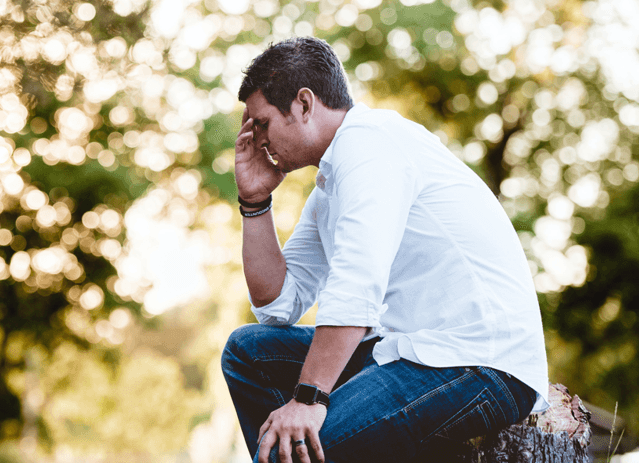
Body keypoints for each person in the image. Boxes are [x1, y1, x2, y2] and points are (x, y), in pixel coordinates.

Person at [221, 36, 549, 463]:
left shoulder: (370, 144)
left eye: (262, 123)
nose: (258, 140)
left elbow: (357, 284)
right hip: (407, 353)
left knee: (301, 452)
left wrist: (307, 399)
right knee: (250, 352)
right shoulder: (332, 184)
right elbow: (279, 304)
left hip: (479, 363)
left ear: (304, 104)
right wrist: (254, 203)